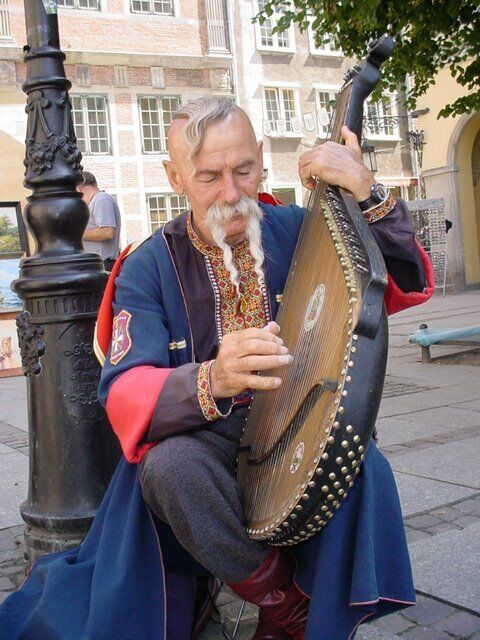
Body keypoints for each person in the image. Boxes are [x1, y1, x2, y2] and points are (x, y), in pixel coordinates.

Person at [0, 97, 435, 640]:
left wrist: (366, 192)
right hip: (203, 443)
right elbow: (125, 391)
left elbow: (395, 281)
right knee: (170, 469)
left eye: (243, 170)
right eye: (209, 176)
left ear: (261, 159)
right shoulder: (148, 265)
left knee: (358, 457)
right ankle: (286, 607)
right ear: (174, 176)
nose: (231, 194)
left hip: (295, 426)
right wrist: (212, 379)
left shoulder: (299, 227)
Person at [78, 171, 121, 271]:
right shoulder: (97, 200)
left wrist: (76, 234)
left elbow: (107, 232)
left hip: (102, 265)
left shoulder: (101, 199)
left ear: (79, 188)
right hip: (98, 265)